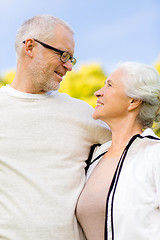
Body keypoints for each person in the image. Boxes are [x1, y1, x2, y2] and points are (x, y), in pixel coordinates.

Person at [0, 15, 111, 240]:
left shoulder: (83, 113)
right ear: (30, 46)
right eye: (63, 55)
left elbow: (135, 143)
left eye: (72, 59)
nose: (69, 66)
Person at [76, 62, 160, 240]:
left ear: (134, 101)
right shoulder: (94, 157)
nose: (98, 92)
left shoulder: (155, 154)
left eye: (110, 85)